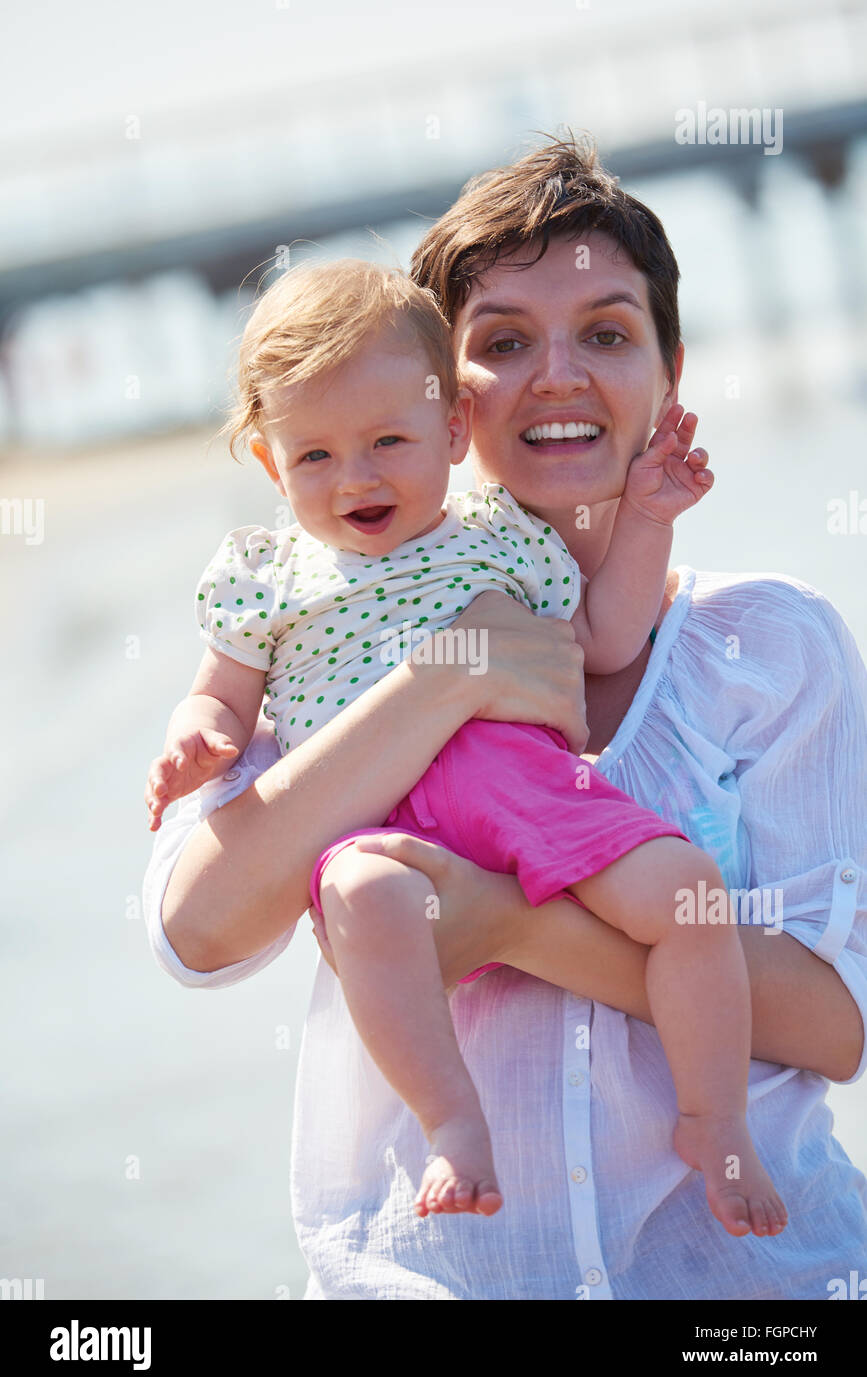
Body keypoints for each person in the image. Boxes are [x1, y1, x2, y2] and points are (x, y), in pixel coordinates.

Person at [142, 133, 867, 1300]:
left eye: (610, 334)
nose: (560, 375)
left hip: (757, 1290)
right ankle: (455, 1139)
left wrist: (508, 924)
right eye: (505, 344)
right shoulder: (315, 636)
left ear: (672, 372)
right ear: (438, 392)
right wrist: (442, 682)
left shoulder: (774, 648)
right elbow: (195, 933)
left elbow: (836, 1024)